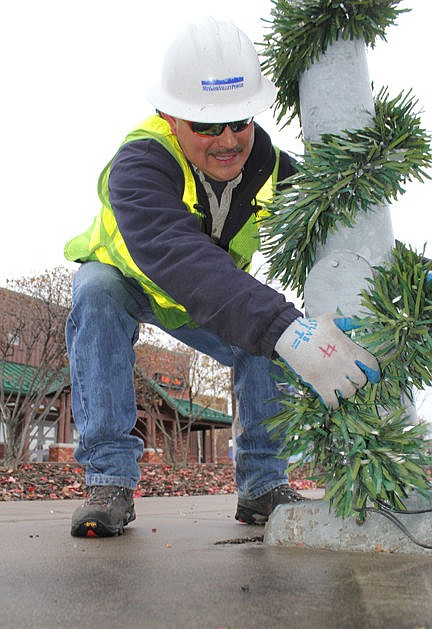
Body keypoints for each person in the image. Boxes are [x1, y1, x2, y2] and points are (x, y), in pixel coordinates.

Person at [65, 17, 380, 538]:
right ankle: (109, 481)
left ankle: (261, 486)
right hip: (131, 283)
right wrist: (283, 327)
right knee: (95, 292)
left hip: (207, 299)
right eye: (207, 127)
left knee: (264, 334)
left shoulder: (269, 165)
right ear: (171, 116)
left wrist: (401, 271)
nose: (228, 141)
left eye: (240, 122)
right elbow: (176, 256)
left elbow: (337, 226)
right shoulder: (140, 162)